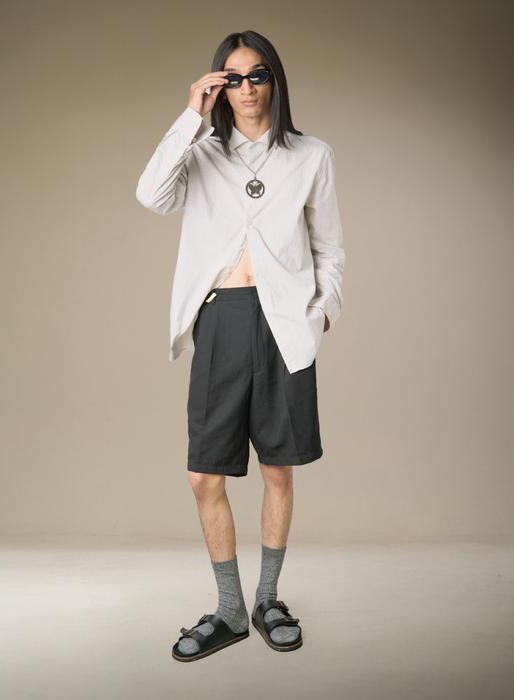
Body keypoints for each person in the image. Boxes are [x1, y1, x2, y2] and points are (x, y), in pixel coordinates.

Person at [136, 30, 344, 662]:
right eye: (233, 78)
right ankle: (229, 609)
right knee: (205, 474)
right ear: (217, 86)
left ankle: (267, 600)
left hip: (284, 322)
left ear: (274, 82)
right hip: (222, 319)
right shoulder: (199, 152)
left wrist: (318, 317)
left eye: (257, 76)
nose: (247, 88)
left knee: (278, 467)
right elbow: (150, 195)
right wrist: (189, 116)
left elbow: (329, 249)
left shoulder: (311, 155)